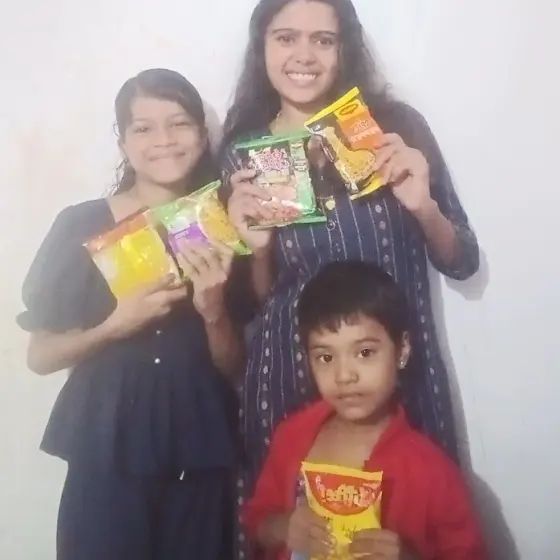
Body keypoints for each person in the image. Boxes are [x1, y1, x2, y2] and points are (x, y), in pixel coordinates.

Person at [221, 2, 480, 553]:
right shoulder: (244, 153)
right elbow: (255, 303)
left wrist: (423, 206)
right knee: (297, 536)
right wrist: (258, 251)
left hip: (394, 369)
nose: (304, 55)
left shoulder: (394, 128)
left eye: (324, 40)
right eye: (286, 38)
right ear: (262, 47)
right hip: (290, 372)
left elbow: (463, 261)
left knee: (414, 535)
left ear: (345, 49)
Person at [17, 68, 243, 560]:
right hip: (106, 448)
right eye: (143, 127)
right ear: (123, 142)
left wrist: (213, 312)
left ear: (202, 135)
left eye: (179, 123)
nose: (164, 140)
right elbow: (40, 356)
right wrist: (116, 326)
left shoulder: (224, 223)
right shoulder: (81, 224)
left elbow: (234, 370)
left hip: (200, 451)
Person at [244, 261, 488, 560]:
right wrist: (282, 528)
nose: (344, 375)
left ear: (402, 350)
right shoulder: (291, 436)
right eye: (325, 357)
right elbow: (257, 520)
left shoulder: (433, 472)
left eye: (365, 353)